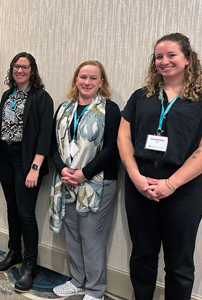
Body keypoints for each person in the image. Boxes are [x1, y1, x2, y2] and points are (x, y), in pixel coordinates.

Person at [117, 33, 202, 299]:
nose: (164, 61)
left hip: (183, 193)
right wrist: (135, 176)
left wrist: (171, 183)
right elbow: (123, 137)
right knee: (142, 256)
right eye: (158, 57)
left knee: (179, 264)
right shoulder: (141, 97)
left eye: (171, 55)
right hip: (139, 187)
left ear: (188, 59)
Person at [49, 61, 120, 300]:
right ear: (76, 80)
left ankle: (96, 290)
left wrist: (84, 173)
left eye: (93, 78)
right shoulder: (64, 108)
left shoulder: (109, 109)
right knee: (73, 234)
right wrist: (62, 170)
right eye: (83, 77)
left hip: (97, 183)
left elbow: (112, 148)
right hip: (67, 181)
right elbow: (53, 145)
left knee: (92, 237)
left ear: (101, 82)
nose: (87, 82)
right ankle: (78, 281)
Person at [0, 52, 53, 293]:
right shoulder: (8, 95)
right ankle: (13, 251)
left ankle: (29, 265)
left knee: (26, 213)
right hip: (5, 156)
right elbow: (0, 127)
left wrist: (35, 167)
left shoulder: (41, 98)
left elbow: (45, 136)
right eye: (16, 66)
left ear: (32, 71)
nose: (19, 70)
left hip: (27, 160)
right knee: (12, 207)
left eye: (24, 67)